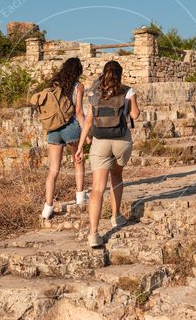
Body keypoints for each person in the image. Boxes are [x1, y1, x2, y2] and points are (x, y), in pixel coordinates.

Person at [75, 60, 140, 248]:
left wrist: (80, 146)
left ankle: (94, 234)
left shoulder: (94, 93)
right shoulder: (128, 91)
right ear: (120, 74)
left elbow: (88, 122)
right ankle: (116, 216)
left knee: (97, 189)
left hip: (99, 142)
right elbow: (135, 115)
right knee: (117, 175)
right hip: (121, 141)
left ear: (104, 73)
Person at [41, 57, 88, 219]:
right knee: (78, 160)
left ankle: (47, 207)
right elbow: (79, 112)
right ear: (78, 71)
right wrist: (86, 133)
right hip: (71, 128)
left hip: (54, 129)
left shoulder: (54, 85)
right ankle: (80, 197)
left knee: (53, 170)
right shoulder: (78, 86)